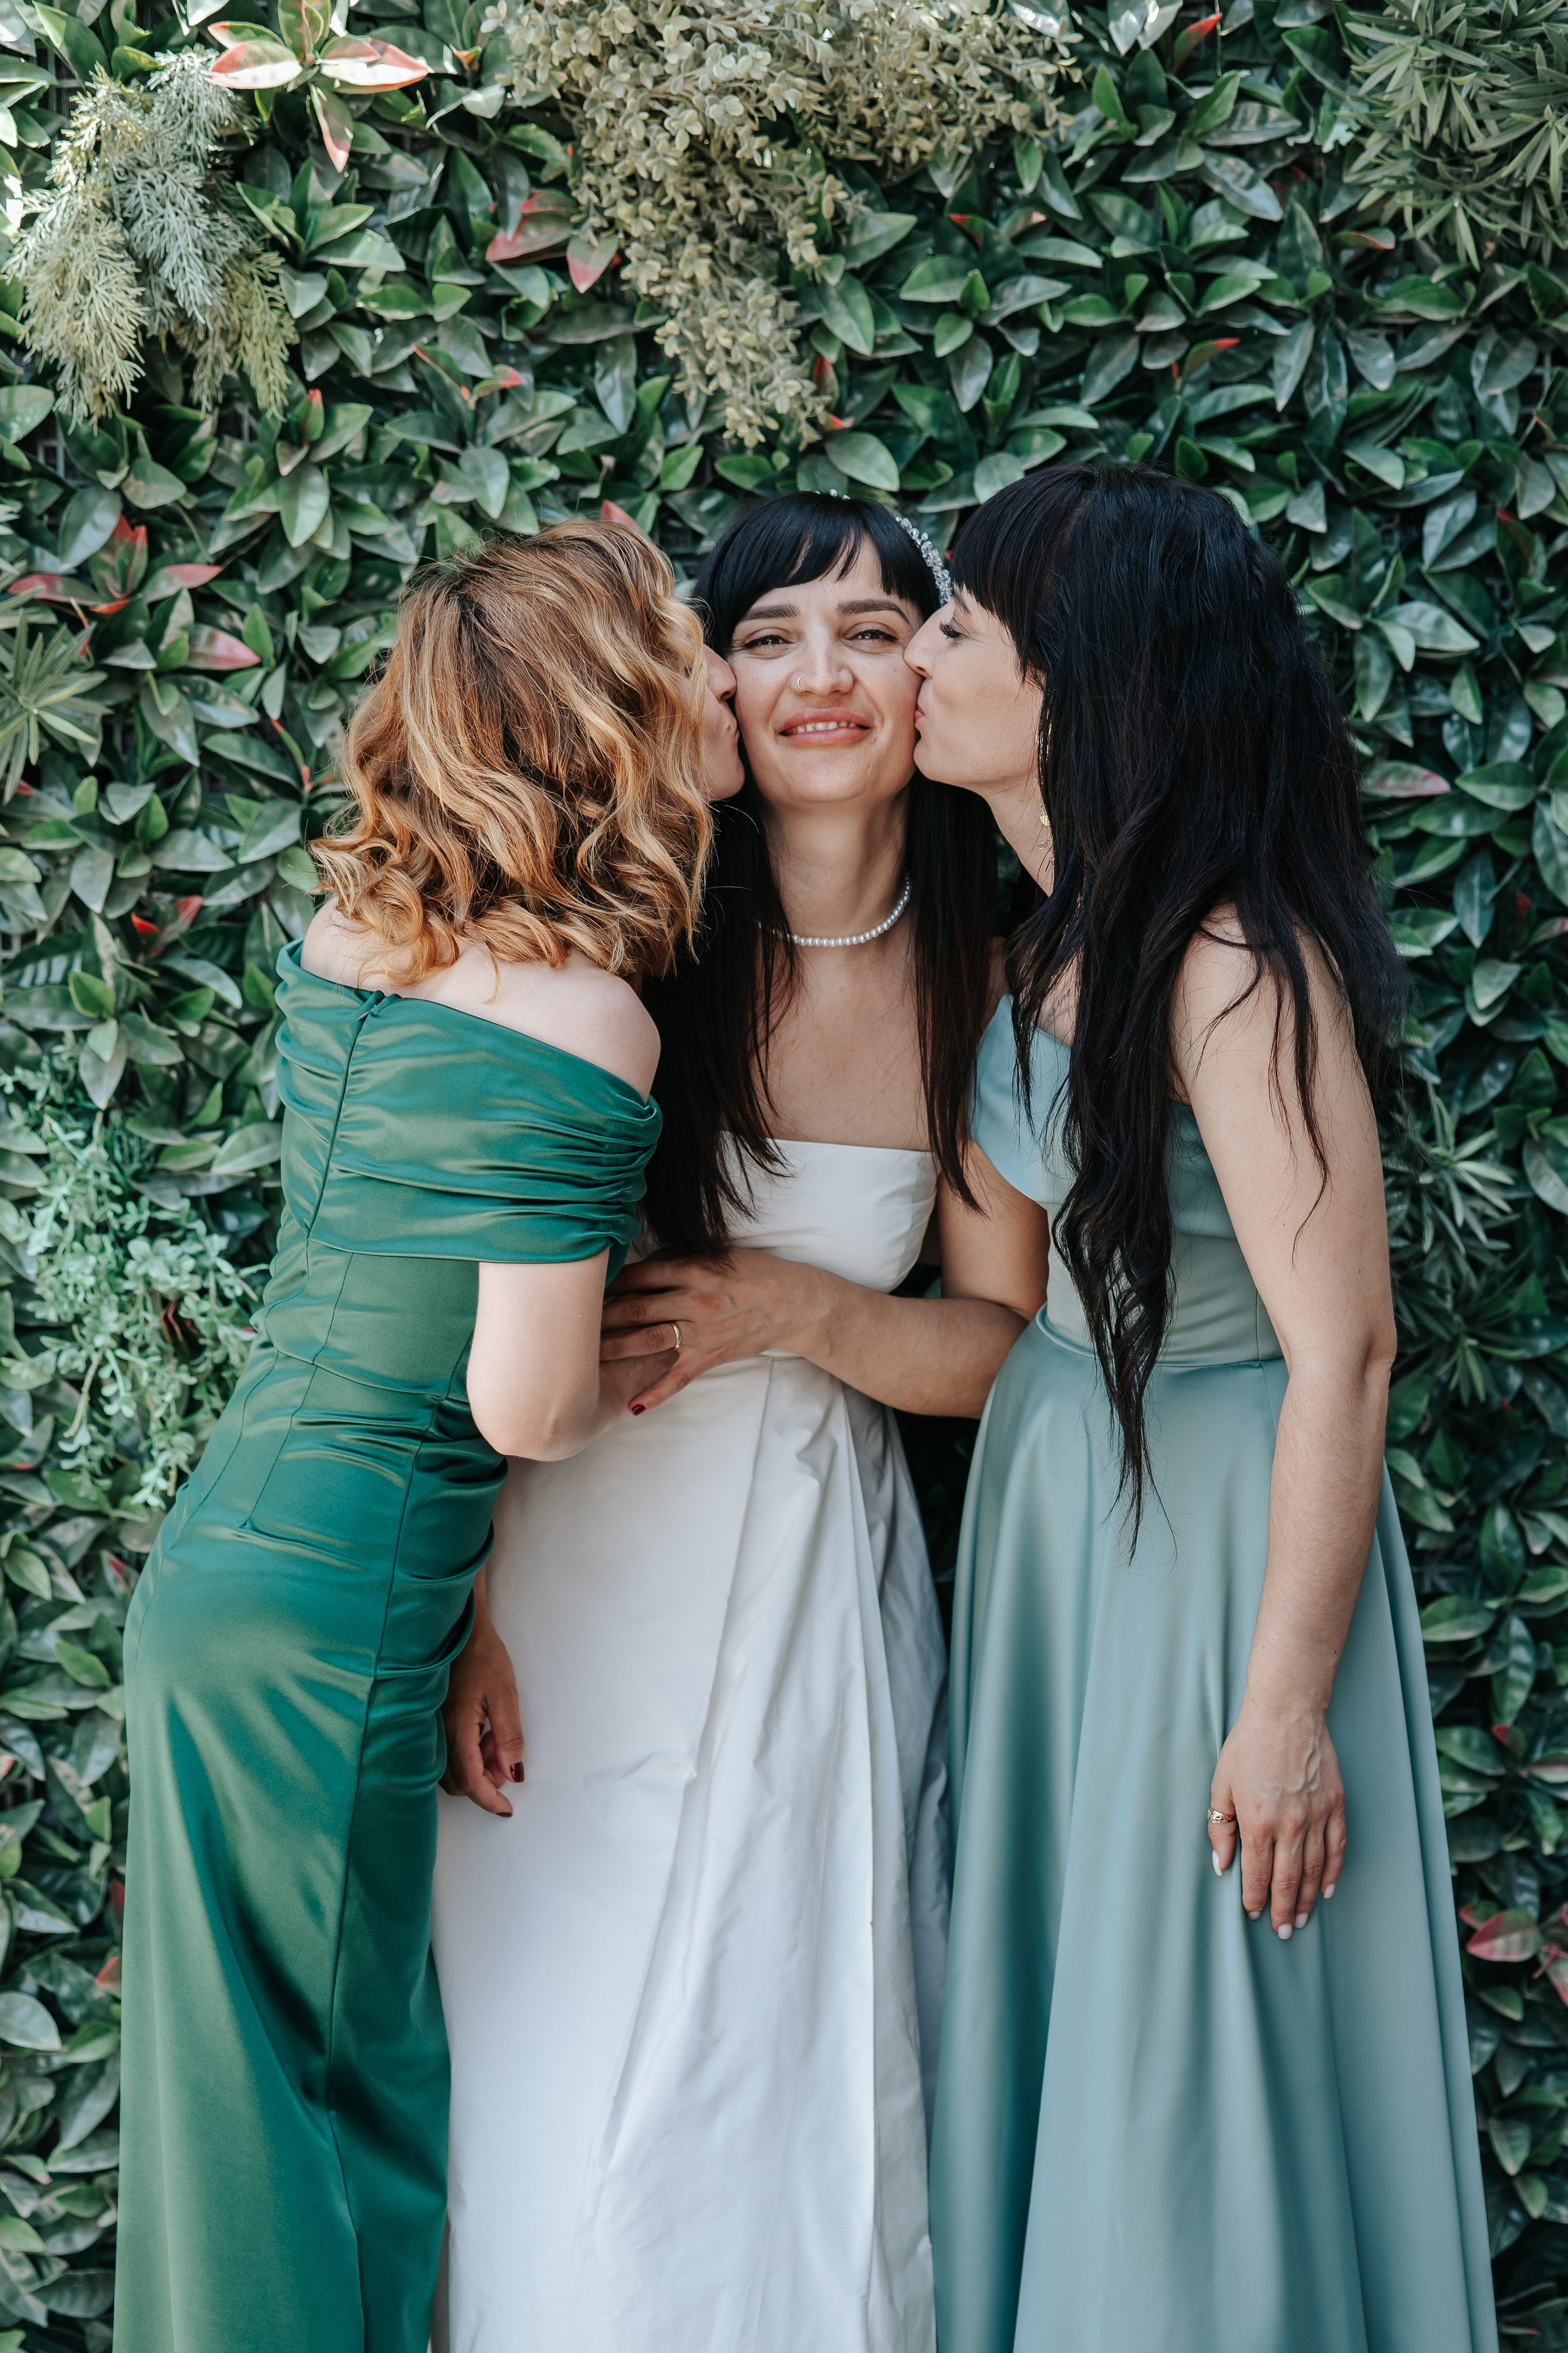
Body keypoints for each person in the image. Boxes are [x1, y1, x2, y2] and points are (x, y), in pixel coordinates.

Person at [431, 493, 1050, 2353]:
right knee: (563, 2118)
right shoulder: (625, 952)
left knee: (787, 2110)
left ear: (927, 673)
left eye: (875, 629)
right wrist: (461, 1608)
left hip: (814, 1612)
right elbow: (450, 1319)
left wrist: (806, 1312)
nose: (824, 675)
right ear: (711, 675)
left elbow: (1006, 1346)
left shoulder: (985, 976)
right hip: (568, 1586)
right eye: (772, 631)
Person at [115, 523, 734, 2353]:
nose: (717, 683)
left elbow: (362, 1293)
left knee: (244, 2099)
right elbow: (515, 1401)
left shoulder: (349, 936)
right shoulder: (588, 1018)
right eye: (687, 651)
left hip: (231, 1564)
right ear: (599, 722)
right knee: (330, 2096)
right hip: (338, 1619)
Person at [905, 463, 1497, 2353]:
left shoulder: (1234, 963)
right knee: (1087, 2017)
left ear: (1073, 683)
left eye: (955, 627)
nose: (917, 657)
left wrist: (1283, 1708)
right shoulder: (1039, 938)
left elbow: (1348, 1348)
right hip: (1069, 1517)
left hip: (1221, 1533)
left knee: (1194, 2048)